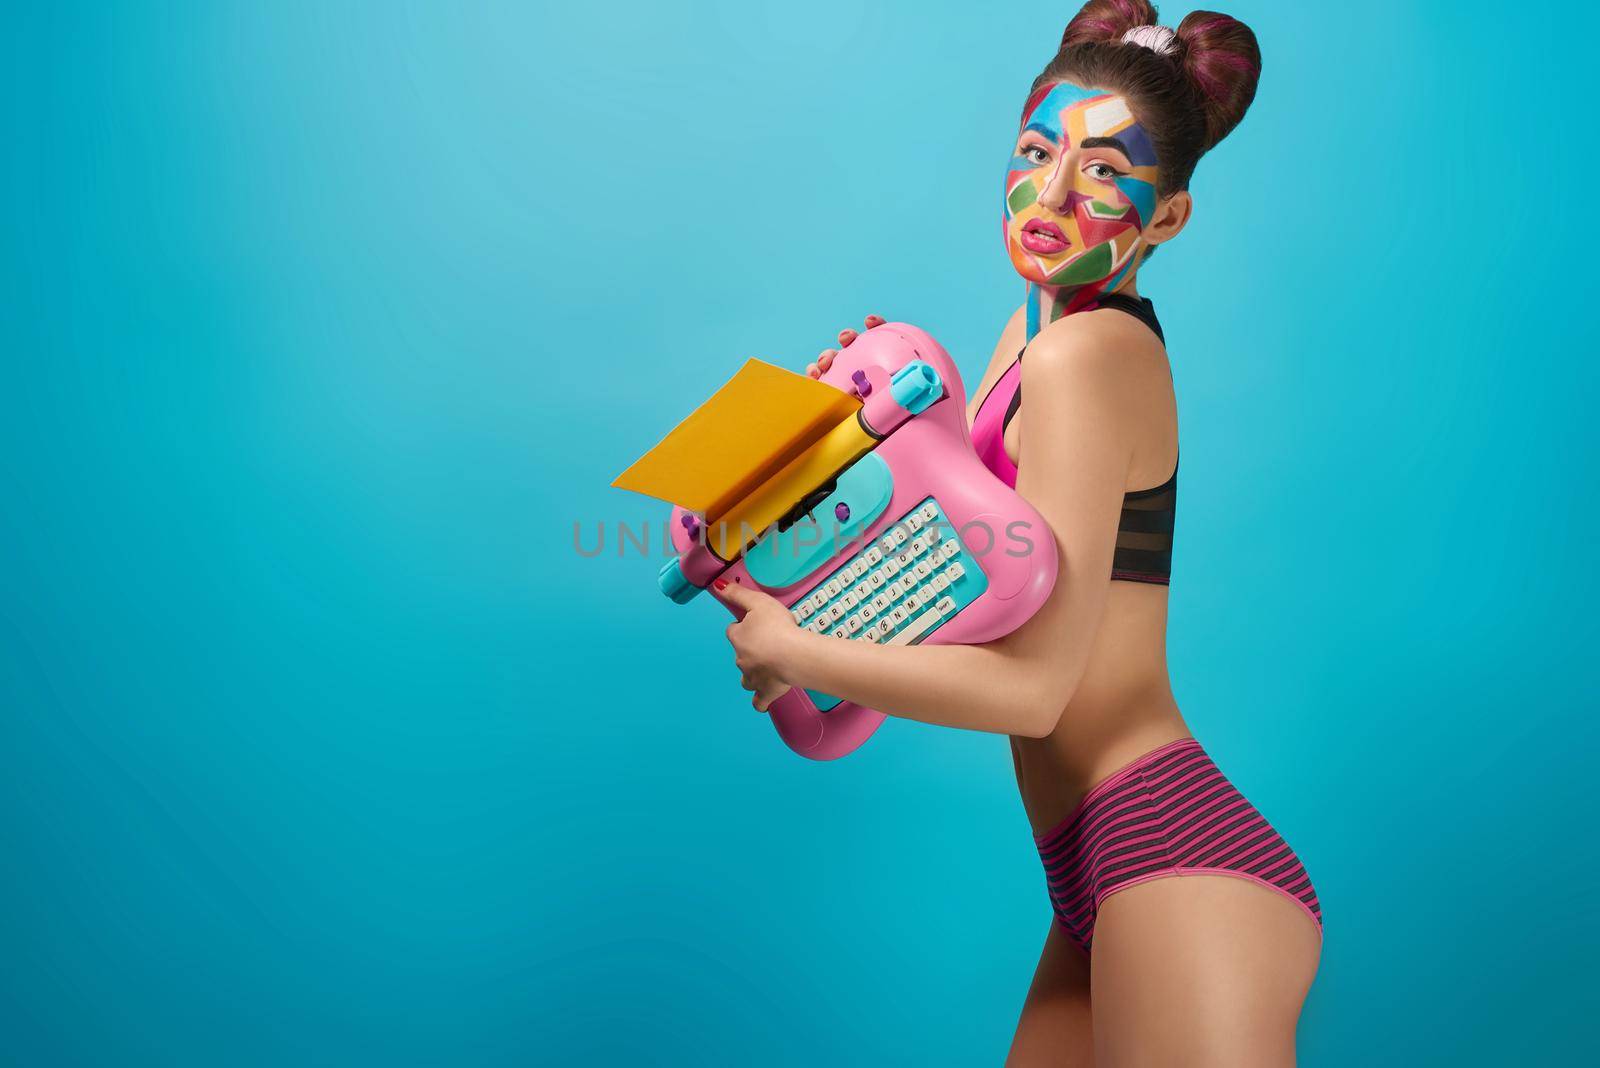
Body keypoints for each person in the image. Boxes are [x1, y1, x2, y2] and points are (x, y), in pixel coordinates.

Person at [716, 2, 1321, 1062]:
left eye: (1100, 173)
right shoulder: (1030, 335)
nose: (1049, 194)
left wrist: (798, 652)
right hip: (1093, 863)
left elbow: (1033, 688)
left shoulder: (1081, 359)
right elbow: (971, 591)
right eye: (1036, 151)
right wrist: (871, 441)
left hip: (1172, 852)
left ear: (1165, 218)